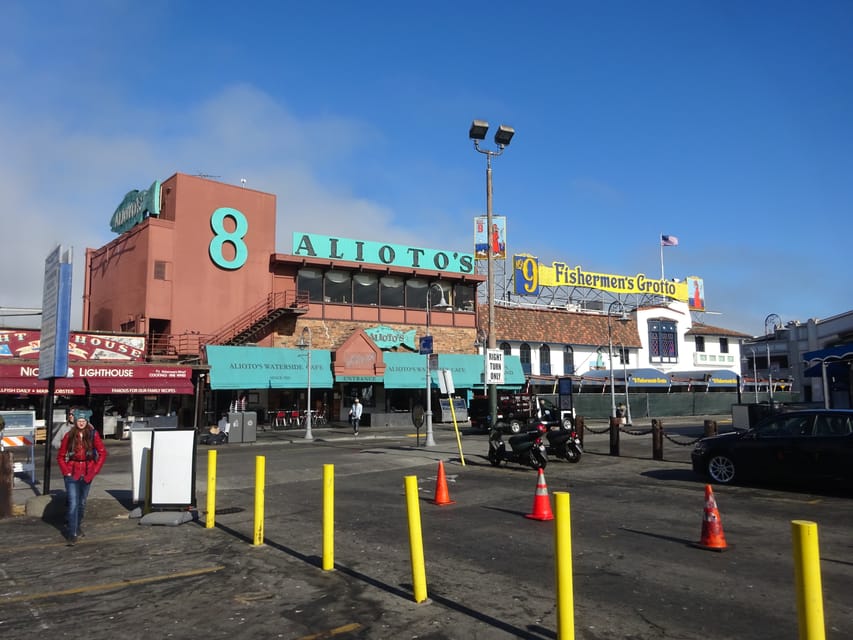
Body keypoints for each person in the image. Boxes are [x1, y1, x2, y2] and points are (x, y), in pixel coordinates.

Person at [57, 408, 107, 545]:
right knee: (73, 503)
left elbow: (103, 453)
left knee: (82, 503)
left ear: (87, 421)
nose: (81, 423)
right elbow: (60, 456)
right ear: (75, 421)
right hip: (72, 473)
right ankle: (72, 533)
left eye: (83, 421)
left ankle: (77, 526)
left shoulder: (93, 435)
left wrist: (94, 470)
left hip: (87, 471)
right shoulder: (69, 436)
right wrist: (66, 471)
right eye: (79, 421)